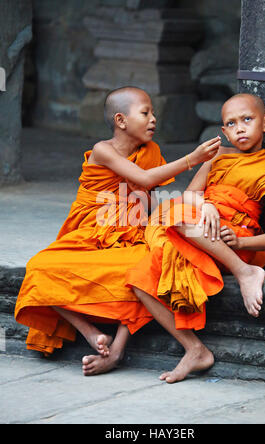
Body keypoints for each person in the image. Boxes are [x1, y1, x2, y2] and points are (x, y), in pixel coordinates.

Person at [15, 86, 221, 376]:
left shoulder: (150, 152)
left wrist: (193, 202)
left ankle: (116, 351)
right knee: (39, 268)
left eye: (153, 113)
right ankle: (91, 334)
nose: (153, 119)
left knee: (142, 273)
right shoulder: (103, 150)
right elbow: (145, 178)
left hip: (130, 234)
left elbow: (151, 196)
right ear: (121, 120)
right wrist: (193, 158)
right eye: (145, 113)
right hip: (90, 233)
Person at [125, 93, 265, 383]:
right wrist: (206, 205)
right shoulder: (217, 156)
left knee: (177, 217)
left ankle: (245, 273)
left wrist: (240, 244)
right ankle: (195, 349)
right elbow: (190, 195)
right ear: (224, 131)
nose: (239, 128)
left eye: (247, 120)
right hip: (197, 229)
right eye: (231, 123)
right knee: (140, 280)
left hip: (232, 241)